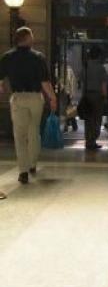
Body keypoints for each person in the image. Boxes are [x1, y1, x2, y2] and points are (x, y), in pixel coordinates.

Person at [0, 27, 57, 184]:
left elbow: (0, 79)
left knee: (19, 135)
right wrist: (52, 98)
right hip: (35, 98)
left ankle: (23, 171)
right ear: (26, 38)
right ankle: (32, 164)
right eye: (32, 36)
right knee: (34, 132)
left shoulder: (7, 57)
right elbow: (45, 82)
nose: (34, 38)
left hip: (18, 97)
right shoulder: (38, 57)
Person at [82, 46, 107, 151]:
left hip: (87, 95)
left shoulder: (85, 66)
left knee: (88, 119)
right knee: (97, 119)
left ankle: (88, 140)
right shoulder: (101, 68)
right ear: (99, 56)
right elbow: (104, 84)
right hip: (97, 96)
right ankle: (93, 140)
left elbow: (81, 80)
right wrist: (105, 96)